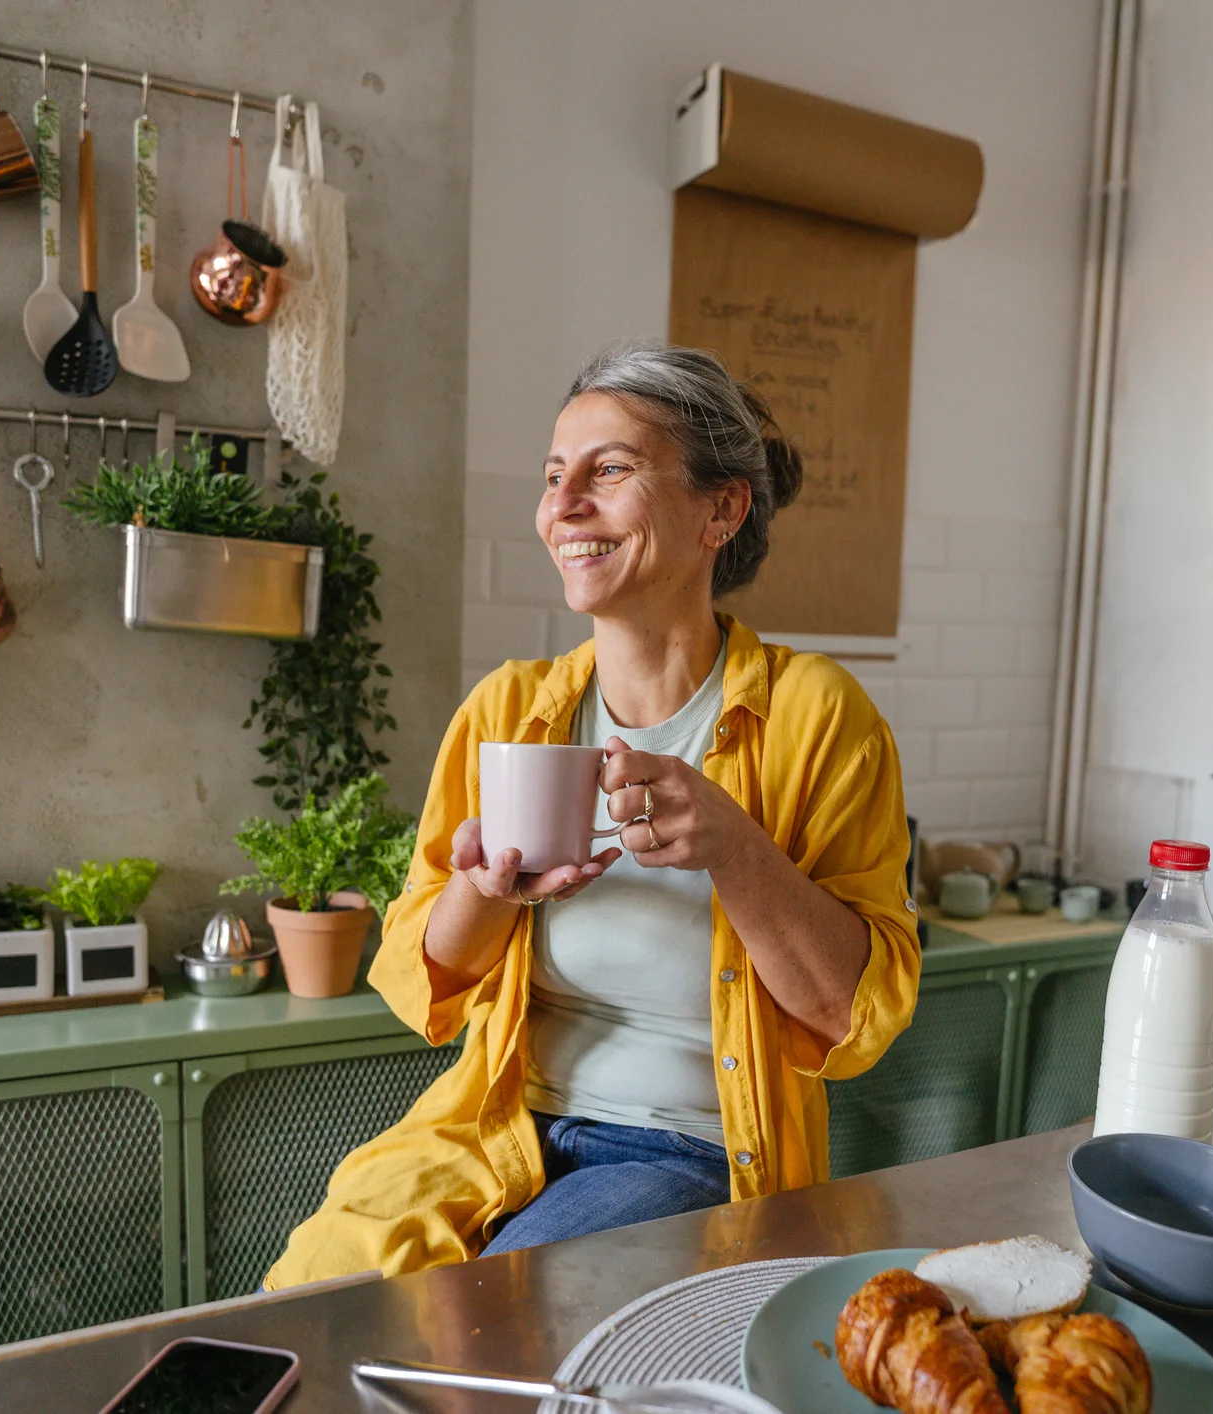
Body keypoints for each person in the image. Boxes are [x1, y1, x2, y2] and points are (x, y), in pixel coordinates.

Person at [264, 344, 919, 1288]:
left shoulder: (816, 714)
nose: (562, 504)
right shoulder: (509, 710)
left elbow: (852, 1017)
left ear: (720, 510)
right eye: (551, 476)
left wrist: (736, 850)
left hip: (686, 1152)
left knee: (496, 1328)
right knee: (304, 1300)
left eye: (607, 470)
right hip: (493, 1128)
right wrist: (487, 891)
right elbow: (420, 979)